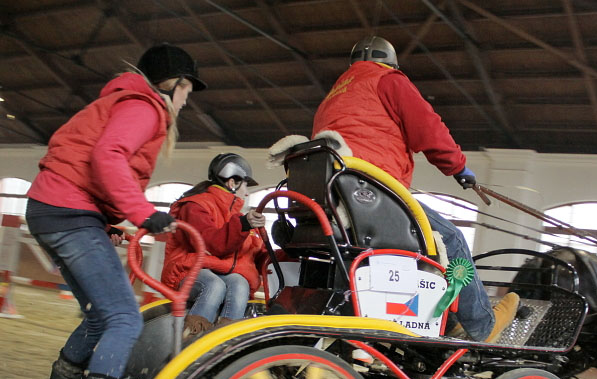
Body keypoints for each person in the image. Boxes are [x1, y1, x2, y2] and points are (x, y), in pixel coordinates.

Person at [27, 43, 205, 379]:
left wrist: (109, 223)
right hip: (68, 212)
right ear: (173, 84)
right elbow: (108, 156)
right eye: (187, 89)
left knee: (99, 317)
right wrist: (143, 213)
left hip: (56, 208)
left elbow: (89, 166)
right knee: (124, 317)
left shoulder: (122, 100)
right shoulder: (144, 106)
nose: (187, 97)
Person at [311, 36, 518, 343]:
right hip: (372, 194)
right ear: (390, 62)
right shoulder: (388, 80)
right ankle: (482, 326)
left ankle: (442, 320)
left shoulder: (332, 96)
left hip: (334, 200)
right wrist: (458, 167)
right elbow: (428, 128)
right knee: (452, 237)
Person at [161, 153, 266, 339]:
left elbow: (257, 252)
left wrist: (287, 250)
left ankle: (224, 344)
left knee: (240, 283)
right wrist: (243, 224)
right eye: (246, 185)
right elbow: (211, 243)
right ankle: (192, 342)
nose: (248, 192)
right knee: (213, 285)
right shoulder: (196, 206)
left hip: (222, 273)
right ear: (232, 183)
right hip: (189, 271)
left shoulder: (238, 215)